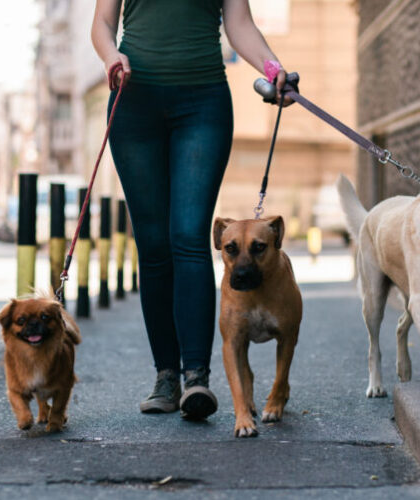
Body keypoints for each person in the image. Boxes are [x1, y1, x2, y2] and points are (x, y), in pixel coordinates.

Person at [91, 0, 292, 421]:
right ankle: (166, 376)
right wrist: (112, 57)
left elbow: (239, 25)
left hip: (202, 103)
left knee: (188, 236)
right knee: (154, 244)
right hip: (134, 101)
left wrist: (273, 70)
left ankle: (196, 377)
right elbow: (103, 24)